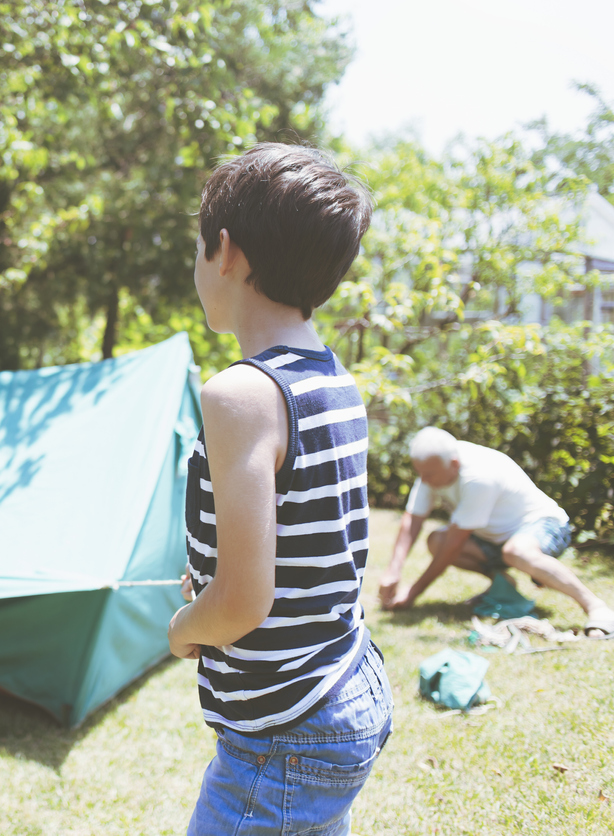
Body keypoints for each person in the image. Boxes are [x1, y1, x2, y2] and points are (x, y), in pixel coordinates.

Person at [167, 143, 392, 836]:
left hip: (284, 731)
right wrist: (207, 574)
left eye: (198, 248)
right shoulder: (333, 378)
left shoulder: (240, 393)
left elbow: (242, 602)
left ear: (225, 251)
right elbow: (305, 536)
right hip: (345, 684)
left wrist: (185, 628)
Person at [379, 427, 614, 636]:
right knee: (436, 540)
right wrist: (393, 571)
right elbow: (413, 519)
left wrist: (413, 592)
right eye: (420, 473)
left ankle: (595, 606)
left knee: (516, 551)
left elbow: (454, 545)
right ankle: (503, 583)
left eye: (428, 475)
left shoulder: (478, 476)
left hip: (545, 525)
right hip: (494, 540)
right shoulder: (433, 468)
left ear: (454, 464)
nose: (423, 481)